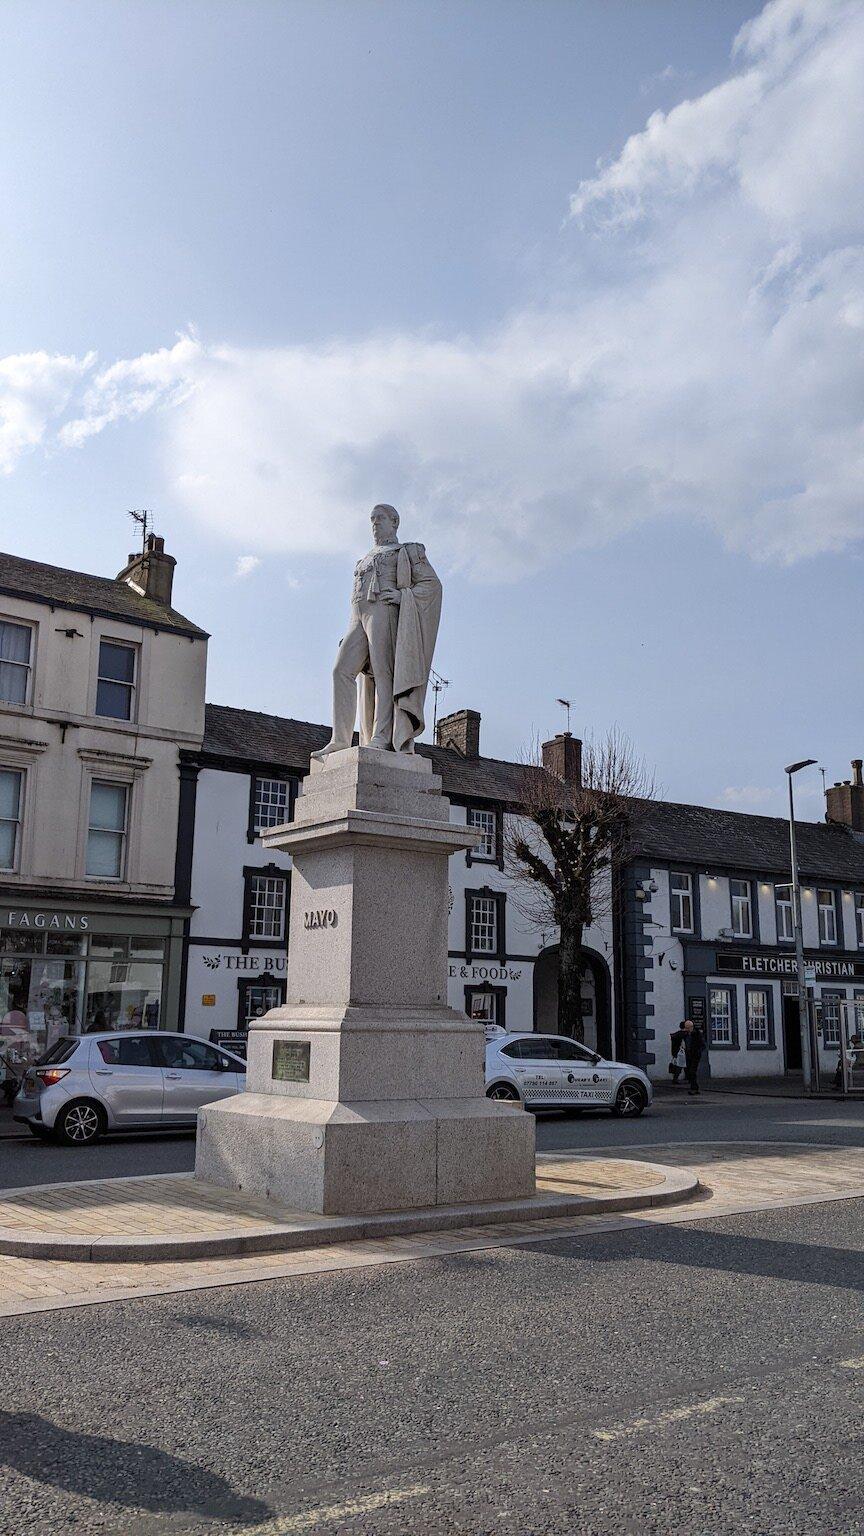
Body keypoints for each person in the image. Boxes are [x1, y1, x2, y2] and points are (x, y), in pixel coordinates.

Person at [313, 504, 443, 757]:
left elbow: (432, 585)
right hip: (357, 617)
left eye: (380, 518)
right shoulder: (365, 557)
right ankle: (340, 739)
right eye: (372, 519)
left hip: (384, 611)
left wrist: (404, 596)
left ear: (394, 522)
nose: (374, 523)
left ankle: (382, 736)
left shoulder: (407, 552)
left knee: (385, 674)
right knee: (341, 670)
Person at [682, 1017, 704, 1096]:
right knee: (689, 1071)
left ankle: (694, 1088)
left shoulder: (697, 1034)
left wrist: (697, 1051)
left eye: (688, 1028)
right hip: (688, 1055)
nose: (687, 1029)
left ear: (691, 1027)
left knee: (692, 1071)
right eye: (686, 1028)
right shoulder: (686, 1034)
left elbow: (702, 1045)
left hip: (695, 1056)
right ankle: (695, 1087)